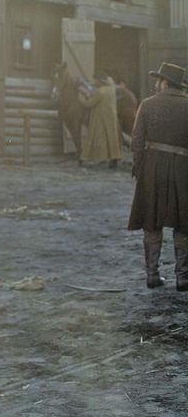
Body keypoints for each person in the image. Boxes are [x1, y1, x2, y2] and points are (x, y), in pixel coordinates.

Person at [127, 62, 188, 291]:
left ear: (164, 82)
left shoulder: (147, 104)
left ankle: (152, 275)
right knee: (183, 223)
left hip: (152, 169)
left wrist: (139, 169)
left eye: (158, 80)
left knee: (151, 222)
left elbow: (136, 142)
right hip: (183, 169)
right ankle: (183, 278)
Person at [78, 73, 123, 169]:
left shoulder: (100, 91)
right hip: (111, 118)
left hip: (100, 118)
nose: (95, 82)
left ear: (100, 81)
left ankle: (99, 158)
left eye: (96, 80)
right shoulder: (111, 89)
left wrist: (81, 99)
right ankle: (114, 158)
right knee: (112, 139)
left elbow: (89, 103)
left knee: (99, 138)